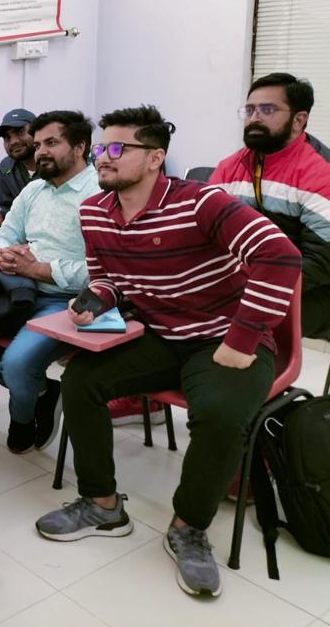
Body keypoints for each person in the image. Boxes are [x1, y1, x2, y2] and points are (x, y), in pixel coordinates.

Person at [35, 105, 301, 599]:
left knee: (220, 415)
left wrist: (242, 340)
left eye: (118, 148)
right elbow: (109, 278)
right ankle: (103, 505)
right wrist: (96, 299)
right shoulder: (94, 211)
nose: (103, 157)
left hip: (225, 337)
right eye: (100, 148)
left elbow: (280, 256)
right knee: (80, 379)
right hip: (161, 333)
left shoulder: (201, 202)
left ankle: (188, 527)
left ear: (155, 157)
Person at [0, 111, 98, 454]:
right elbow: (1, 236)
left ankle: (22, 418)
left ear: (79, 147)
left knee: (17, 364)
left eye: (51, 143)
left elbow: (102, 271)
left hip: (69, 299)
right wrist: (4, 254)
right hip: (20, 289)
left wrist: (38, 269)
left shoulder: (100, 193)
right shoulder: (34, 189)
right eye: (38, 145)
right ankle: (43, 392)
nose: (41, 152)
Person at [210, 72, 330, 339]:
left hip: (310, 288)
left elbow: (321, 261)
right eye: (250, 110)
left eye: (267, 110)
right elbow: (205, 235)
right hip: (248, 280)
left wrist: (253, 289)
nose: (254, 118)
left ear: (299, 120)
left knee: (227, 321)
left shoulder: (321, 172)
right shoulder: (229, 167)